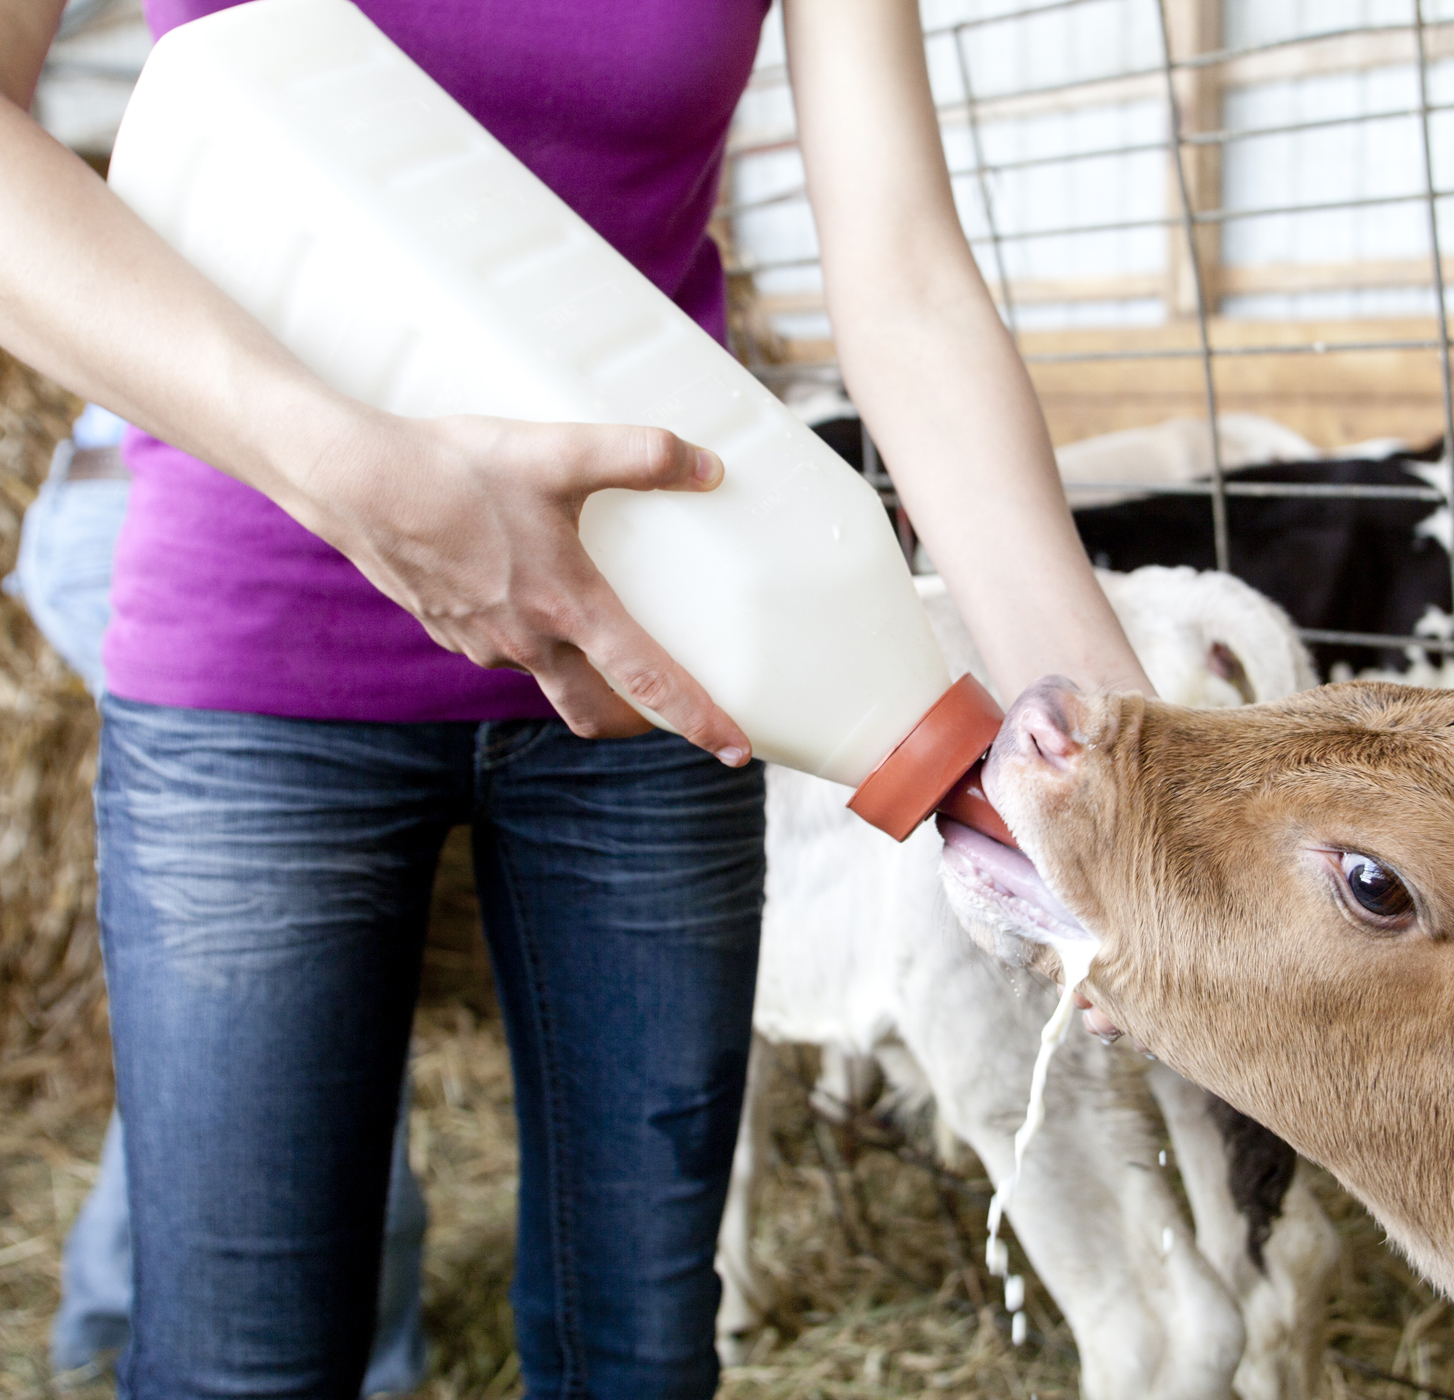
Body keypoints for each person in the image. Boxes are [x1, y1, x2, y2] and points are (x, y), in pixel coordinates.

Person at [0, 0, 1153, 1394]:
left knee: (641, 1353)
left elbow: (904, 277)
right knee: (245, 1362)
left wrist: (1123, 771)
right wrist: (354, 475)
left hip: (670, 664)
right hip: (259, 666)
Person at [6, 404, 427, 1384]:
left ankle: (117, 1307)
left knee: (267, 972)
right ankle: (360, 1344)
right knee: (304, 966)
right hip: (209, 521)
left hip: (120, 498)